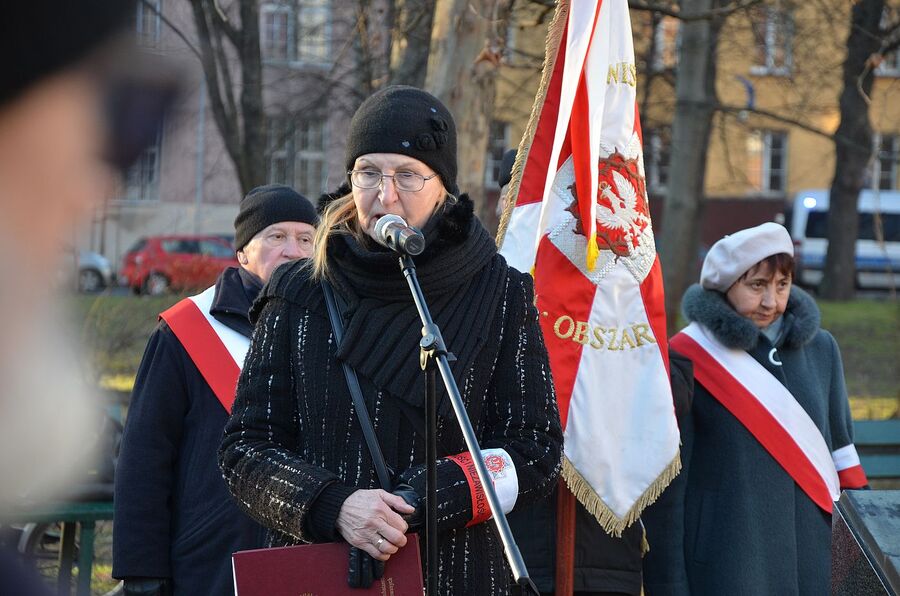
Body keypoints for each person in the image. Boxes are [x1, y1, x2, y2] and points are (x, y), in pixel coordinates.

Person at [219, 85, 563, 595]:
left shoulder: (501, 292)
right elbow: (245, 450)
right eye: (368, 174)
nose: (386, 195)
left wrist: (424, 499)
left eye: (407, 175)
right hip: (325, 571)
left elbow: (535, 450)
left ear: (441, 185)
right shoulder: (299, 292)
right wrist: (335, 505)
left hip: (458, 573)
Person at [112, 185, 319, 596]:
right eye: (276, 237)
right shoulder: (185, 330)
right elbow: (145, 456)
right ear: (242, 252)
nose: (293, 251)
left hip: (307, 555)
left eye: (306, 239)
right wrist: (142, 569)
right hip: (210, 561)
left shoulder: (331, 326)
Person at [642, 222, 868, 595]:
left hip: (817, 557)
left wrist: (862, 557)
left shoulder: (821, 349)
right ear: (724, 288)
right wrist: (670, 581)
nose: (771, 302)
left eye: (782, 285)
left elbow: (843, 456)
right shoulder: (688, 356)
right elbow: (670, 486)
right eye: (757, 285)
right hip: (729, 559)